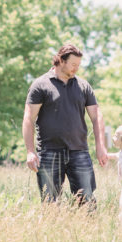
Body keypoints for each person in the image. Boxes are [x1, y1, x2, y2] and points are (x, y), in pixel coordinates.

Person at [22, 44, 109, 205]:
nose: (76, 68)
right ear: (61, 61)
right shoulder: (41, 85)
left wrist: (100, 146)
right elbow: (29, 118)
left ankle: (88, 229)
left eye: (78, 65)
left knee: (87, 201)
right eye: (73, 64)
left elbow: (97, 117)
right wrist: (30, 151)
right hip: (49, 152)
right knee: (50, 203)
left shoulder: (83, 86)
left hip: (79, 152)